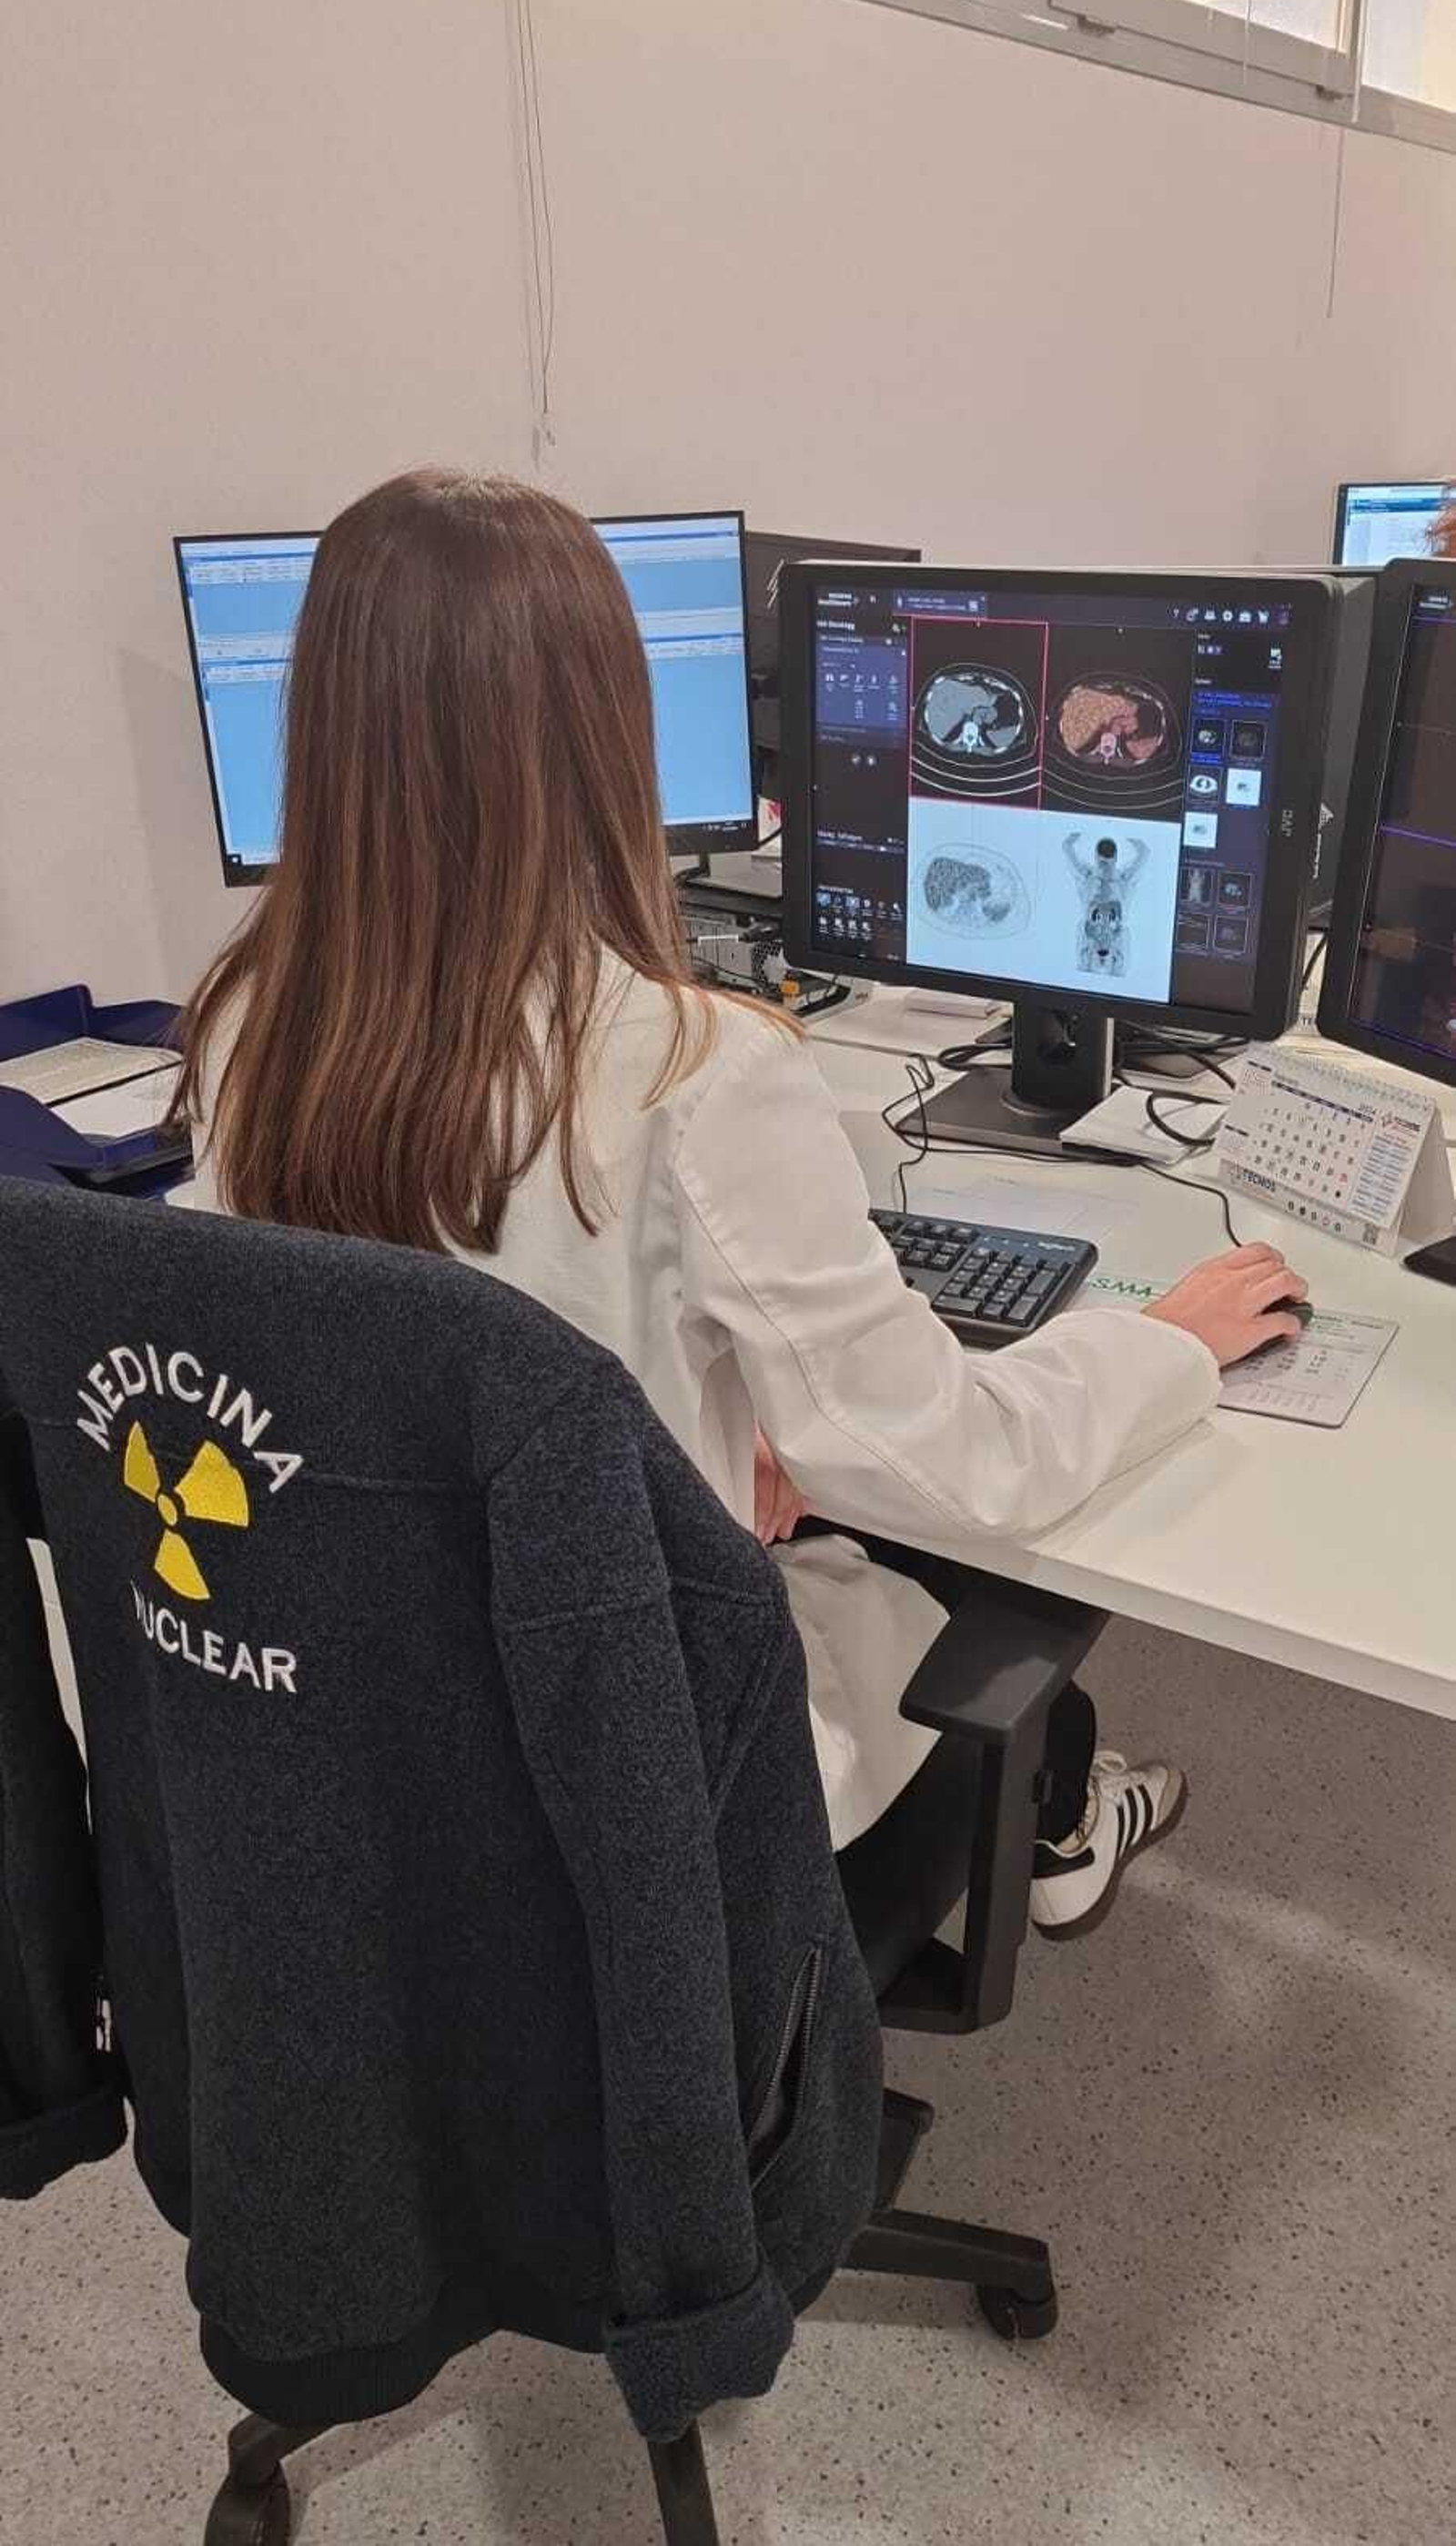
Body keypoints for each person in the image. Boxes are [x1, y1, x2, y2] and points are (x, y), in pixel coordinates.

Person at [175, 471, 1308, 1939]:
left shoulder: (246, 1023)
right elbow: (961, 1465)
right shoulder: (691, 1072)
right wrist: (1167, 1339)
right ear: (600, 734)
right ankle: (1063, 1796)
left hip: (372, 1738)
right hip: (647, 1785)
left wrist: (704, 1419)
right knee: (933, 1563)